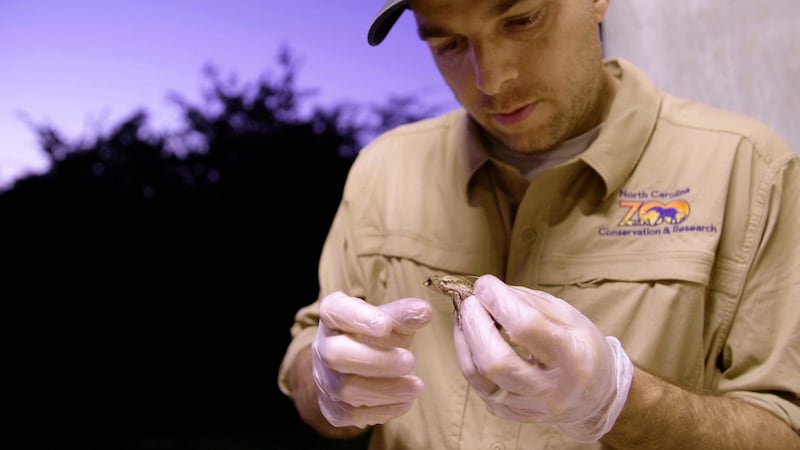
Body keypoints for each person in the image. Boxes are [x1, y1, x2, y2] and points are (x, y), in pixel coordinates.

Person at [278, 0, 800, 448]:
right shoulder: (383, 168)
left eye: (522, 20)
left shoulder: (751, 171)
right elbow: (309, 347)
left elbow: (784, 428)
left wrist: (621, 399)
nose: (492, 79)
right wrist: (327, 383)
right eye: (449, 45)